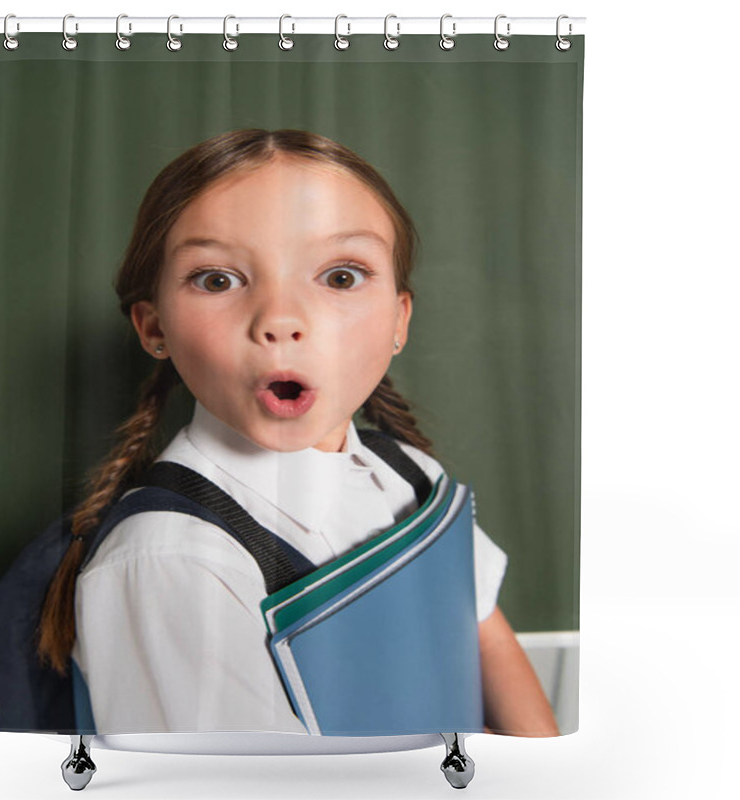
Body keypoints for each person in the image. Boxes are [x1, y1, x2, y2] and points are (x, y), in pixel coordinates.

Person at [37, 129, 559, 737]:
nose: (280, 319)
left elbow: (486, 641)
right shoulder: (174, 556)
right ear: (154, 327)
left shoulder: (412, 474)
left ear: (398, 318)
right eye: (217, 279)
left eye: (341, 277)